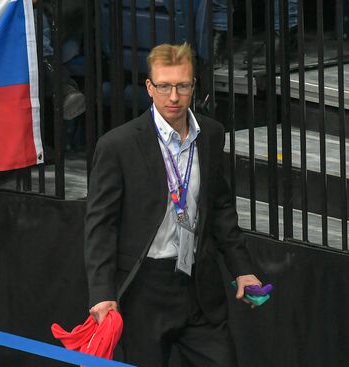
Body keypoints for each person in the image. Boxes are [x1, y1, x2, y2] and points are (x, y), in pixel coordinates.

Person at [85, 42, 262, 366]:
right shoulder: (118, 145)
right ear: (149, 87)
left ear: (193, 86)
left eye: (182, 86)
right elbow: (100, 226)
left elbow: (220, 208)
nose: (174, 97)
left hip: (198, 285)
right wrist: (102, 293)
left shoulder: (210, 134)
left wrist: (243, 270)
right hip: (144, 290)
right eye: (164, 86)